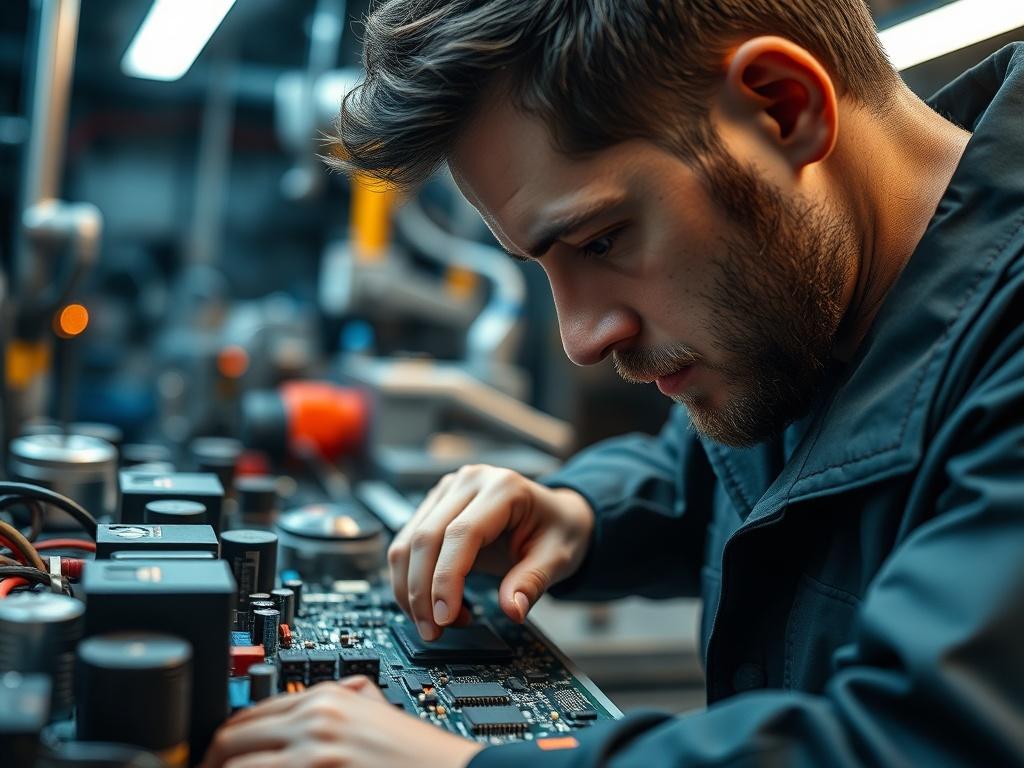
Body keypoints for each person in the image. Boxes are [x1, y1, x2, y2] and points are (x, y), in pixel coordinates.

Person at [203, 1, 1024, 766]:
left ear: (782, 108)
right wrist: (577, 511)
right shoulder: (820, 311)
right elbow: (709, 476)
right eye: (542, 265)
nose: (581, 340)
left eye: (599, 242)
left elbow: (917, 739)